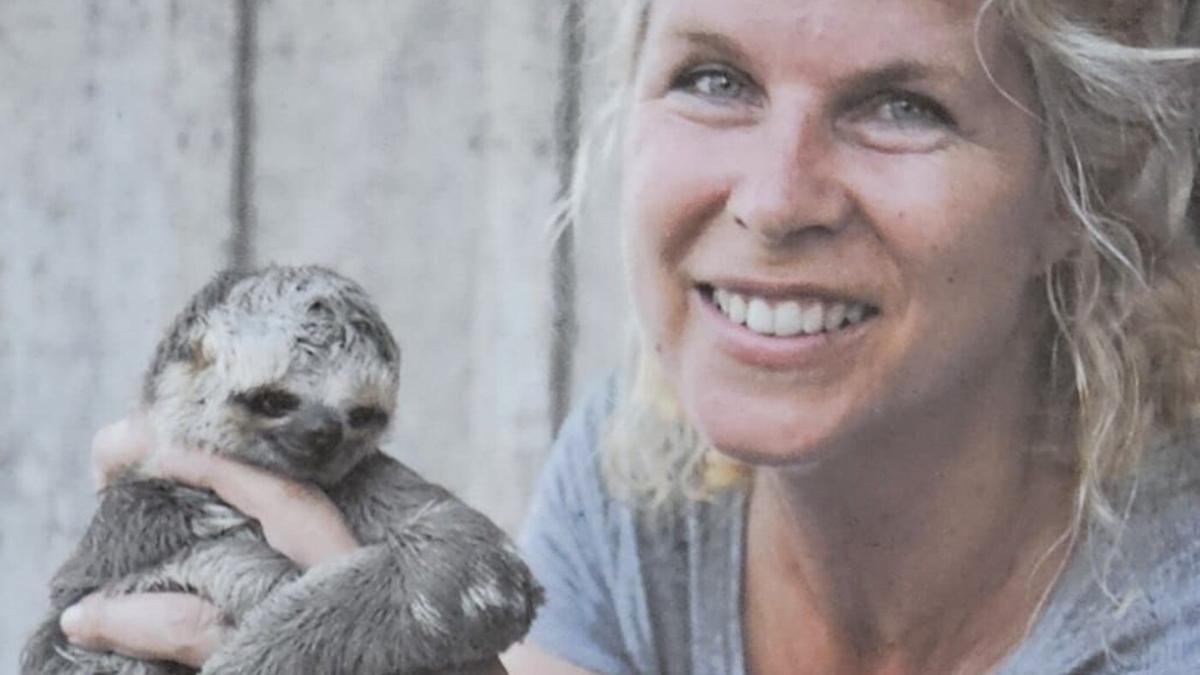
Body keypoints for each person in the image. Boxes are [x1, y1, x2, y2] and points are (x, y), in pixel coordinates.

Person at [63, 0, 1200, 673]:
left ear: (1074, 191)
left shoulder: (1170, 601)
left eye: (903, 106)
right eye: (714, 79)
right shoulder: (641, 488)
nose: (773, 198)